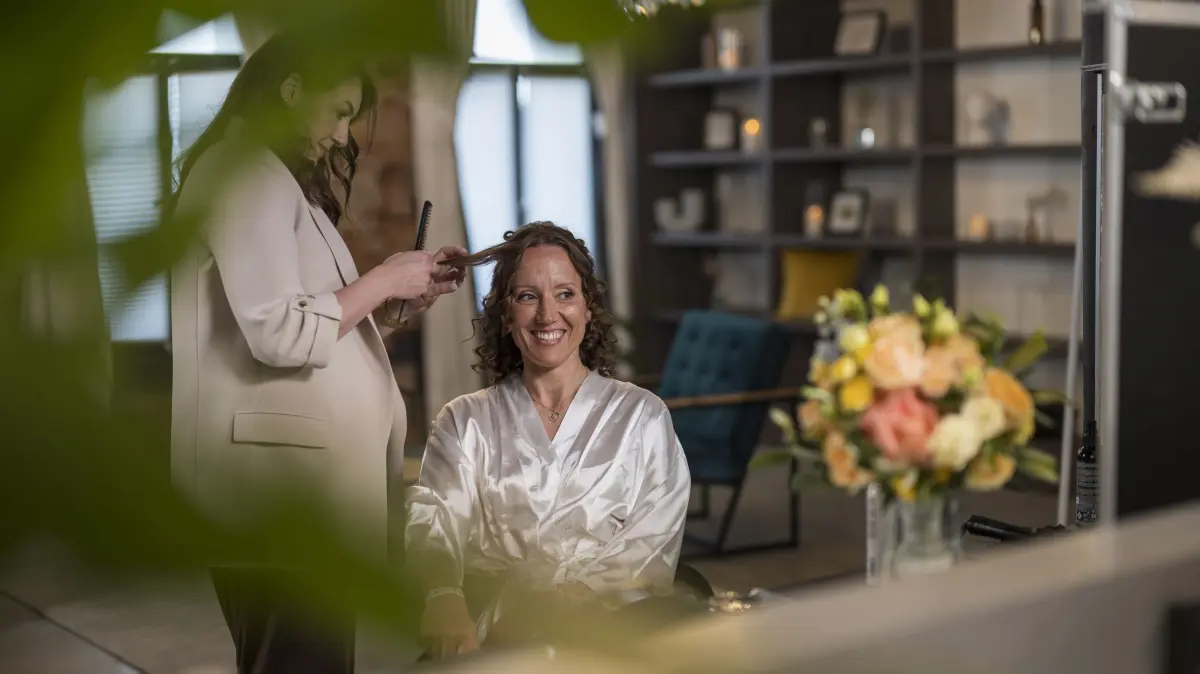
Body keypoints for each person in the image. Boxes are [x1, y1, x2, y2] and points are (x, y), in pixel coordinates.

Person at [167, 34, 466, 674]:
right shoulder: (244, 171)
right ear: (292, 89)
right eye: (337, 110)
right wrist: (384, 278)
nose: (339, 134)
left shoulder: (270, 178)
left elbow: (304, 321)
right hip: (279, 504)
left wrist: (391, 306)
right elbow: (278, 331)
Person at [405, 222, 691, 659]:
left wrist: (559, 610)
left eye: (564, 294)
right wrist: (443, 595)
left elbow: (650, 543)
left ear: (588, 307)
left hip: (609, 634)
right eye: (526, 296)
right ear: (505, 314)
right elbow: (434, 521)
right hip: (488, 637)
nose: (546, 315)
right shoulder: (464, 420)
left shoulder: (643, 417)